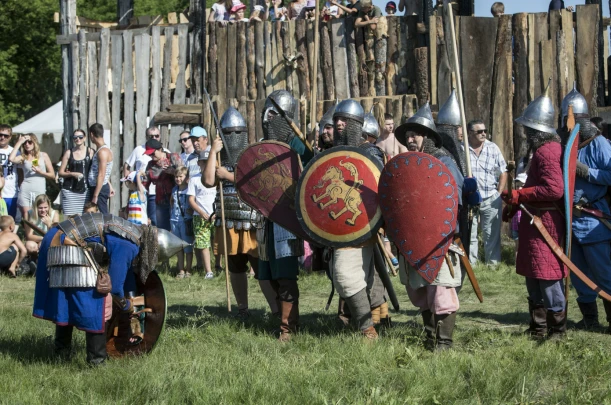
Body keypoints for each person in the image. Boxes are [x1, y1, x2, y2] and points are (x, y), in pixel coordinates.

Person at [33, 212, 184, 365]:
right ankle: (96, 361)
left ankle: (61, 355)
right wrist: (126, 305)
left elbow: (126, 277)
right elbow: (115, 286)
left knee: (67, 302)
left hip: (57, 237)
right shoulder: (129, 245)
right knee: (98, 303)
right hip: (66, 242)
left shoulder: (131, 232)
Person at [394, 102, 465, 351]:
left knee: (441, 290)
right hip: (414, 237)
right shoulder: (405, 164)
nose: (410, 139)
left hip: (440, 239)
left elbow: (453, 198)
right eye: (407, 135)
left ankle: (444, 342)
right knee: (420, 290)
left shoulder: (445, 162)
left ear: (428, 137)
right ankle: (429, 337)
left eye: (415, 134)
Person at [502, 86, 566, 340]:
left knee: (547, 274)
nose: (526, 134)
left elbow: (554, 189)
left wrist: (520, 195)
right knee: (533, 273)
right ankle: (538, 327)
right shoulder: (541, 151)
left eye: (529, 129)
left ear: (538, 130)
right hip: (534, 221)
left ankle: (556, 330)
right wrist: (514, 205)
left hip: (545, 223)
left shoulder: (547, 151)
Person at [203, 106, 279, 320]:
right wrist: (212, 152)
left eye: (237, 133)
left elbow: (257, 183)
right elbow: (208, 181)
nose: (233, 138)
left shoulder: (252, 155)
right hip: (227, 222)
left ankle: (276, 310)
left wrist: (227, 176)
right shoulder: (218, 159)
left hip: (251, 220)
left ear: (244, 134)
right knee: (235, 268)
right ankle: (242, 309)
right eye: (228, 134)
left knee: (260, 267)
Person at [258, 90, 314, 341]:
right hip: (266, 217)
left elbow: (310, 174)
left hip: (287, 219)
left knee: (286, 274)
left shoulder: (298, 144)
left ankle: (287, 329)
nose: (267, 120)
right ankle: (283, 319)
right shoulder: (262, 144)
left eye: (273, 116)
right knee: (268, 273)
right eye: (266, 115)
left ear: (284, 118)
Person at [558, 88, 611, 332]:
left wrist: (587, 172)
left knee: (603, 273)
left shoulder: (599, 144)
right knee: (578, 274)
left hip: (593, 218)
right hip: (570, 219)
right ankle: (590, 320)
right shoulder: (565, 143)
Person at [467, 119, 507, 265]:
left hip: (490, 197)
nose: (483, 134)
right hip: (470, 199)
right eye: (479, 131)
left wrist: (498, 193)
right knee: (471, 234)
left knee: (491, 235)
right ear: (470, 133)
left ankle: (493, 266)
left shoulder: (492, 148)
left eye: (485, 131)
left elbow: (503, 171)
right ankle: (472, 266)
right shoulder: (463, 149)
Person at [9, 133, 55, 220]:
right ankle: (28, 234)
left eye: (29, 142)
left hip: (39, 189)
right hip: (25, 190)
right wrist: (19, 142)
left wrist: (40, 172)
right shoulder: (23, 157)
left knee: (40, 217)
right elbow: (11, 159)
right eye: (25, 143)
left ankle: (39, 234)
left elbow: (52, 175)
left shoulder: (43, 155)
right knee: (28, 218)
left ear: (35, 142)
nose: (27, 144)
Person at [124, 126, 164, 226]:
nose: (154, 138)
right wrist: (128, 182)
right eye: (151, 136)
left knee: (154, 221)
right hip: (140, 191)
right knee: (138, 219)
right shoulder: (139, 150)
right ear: (146, 137)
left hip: (155, 192)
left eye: (157, 136)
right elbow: (127, 165)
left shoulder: (164, 152)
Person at [144, 138, 184, 232]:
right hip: (161, 202)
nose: (151, 156)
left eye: (153, 153)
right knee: (163, 231)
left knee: (178, 229)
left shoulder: (173, 157)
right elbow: (144, 184)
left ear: (160, 149)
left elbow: (184, 175)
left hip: (176, 200)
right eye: (149, 154)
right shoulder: (150, 165)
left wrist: (173, 172)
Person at [188, 154, 217, 279]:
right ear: (198, 163)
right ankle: (208, 270)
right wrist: (200, 212)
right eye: (203, 162)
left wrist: (217, 212)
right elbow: (191, 199)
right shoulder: (194, 179)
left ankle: (218, 265)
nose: (205, 164)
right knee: (204, 244)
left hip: (216, 215)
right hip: (200, 216)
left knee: (217, 242)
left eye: (207, 161)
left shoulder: (216, 178)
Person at [58, 129, 94, 216]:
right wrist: (72, 174)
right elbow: (60, 173)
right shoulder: (68, 153)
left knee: (84, 219)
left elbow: (97, 170)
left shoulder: (90, 152)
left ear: (85, 138)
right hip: (70, 191)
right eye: (75, 137)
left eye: (80, 137)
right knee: (70, 220)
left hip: (85, 191)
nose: (78, 139)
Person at [172, 166, 195, 279]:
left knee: (187, 246)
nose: (178, 179)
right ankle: (181, 270)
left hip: (186, 221)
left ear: (186, 177)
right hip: (174, 220)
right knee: (178, 247)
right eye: (176, 176)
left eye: (180, 176)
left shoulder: (189, 190)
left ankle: (189, 270)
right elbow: (172, 203)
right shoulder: (174, 189)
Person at [87, 123, 114, 215]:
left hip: (99, 188)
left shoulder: (103, 152)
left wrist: (95, 195)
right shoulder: (100, 150)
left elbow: (101, 174)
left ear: (92, 134)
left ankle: (107, 230)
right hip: (98, 186)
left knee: (102, 216)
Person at [0, 124, 18, 218]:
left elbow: (21, 172)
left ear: (10, 137)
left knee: (10, 221)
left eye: (5, 135)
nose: (2, 137)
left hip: (11, 193)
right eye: (0, 135)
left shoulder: (15, 151)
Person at [511, 173, 527, 259]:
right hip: (515, 225)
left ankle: (524, 261)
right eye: (518, 186)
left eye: (522, 186)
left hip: (524, 224)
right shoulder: (514, 197)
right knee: (516, 244)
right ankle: (516, 263)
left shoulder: (527, 198)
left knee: (524, 244)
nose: (519, 188)